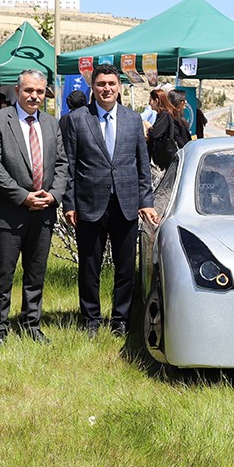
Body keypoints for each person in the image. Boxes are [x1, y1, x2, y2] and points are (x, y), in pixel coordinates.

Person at [62, 64, 158, 337]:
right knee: (89, 267)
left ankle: (120, 320)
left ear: (119, 87)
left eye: (111, 84)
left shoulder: (132, 119)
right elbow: (68, 166)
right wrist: (69, 204)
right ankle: (91, 320)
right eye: (101, 84)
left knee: (125, 268)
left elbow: (143, 165)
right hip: (89, 204)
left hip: (125, 204)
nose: (106, 89)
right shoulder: (77, 119)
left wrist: (146, 200)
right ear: (93, 87)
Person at [0, 70, 69, 344]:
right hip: (9, 213)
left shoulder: (51, 123)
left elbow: (62, 163)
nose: (34, 96)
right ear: (18, 91)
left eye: (40, 91)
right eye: (29, 90)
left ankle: (31, 324)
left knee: (36, 274)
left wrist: (53, 196)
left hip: (44, 211)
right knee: (3, 274)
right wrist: (22, 196)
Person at [148, 89, 191, 171]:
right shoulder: (173, 116)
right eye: (183, 100)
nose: (185, 102)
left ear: (156, 101)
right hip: (178, 156)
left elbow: (154, 134)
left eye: (150, 100)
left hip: (172, 158)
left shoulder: (167, 115)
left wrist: (148, 126)